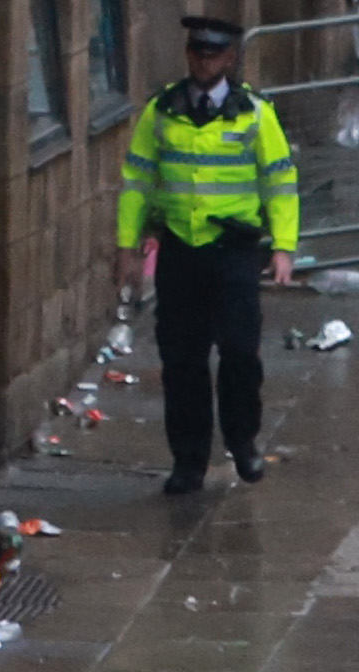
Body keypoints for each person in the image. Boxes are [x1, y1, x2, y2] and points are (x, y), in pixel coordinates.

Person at [121, 14, 301, 499]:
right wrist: (128, 245)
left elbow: (280, 183)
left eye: (213, 54)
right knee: (182, 360)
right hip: (182, 248)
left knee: (240, 352)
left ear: (229, 59)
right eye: (197, 53)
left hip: (234, 251)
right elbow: (136, 183)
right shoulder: (162, 111)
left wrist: (283, 247)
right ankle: (188, 461)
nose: (204, 61)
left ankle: (242, 439)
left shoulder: (254, 114)